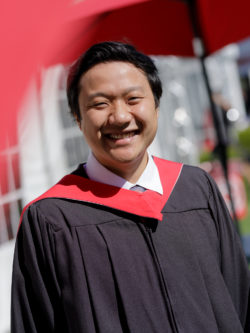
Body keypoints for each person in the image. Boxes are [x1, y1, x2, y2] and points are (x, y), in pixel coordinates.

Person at [11, 41, 250, 333]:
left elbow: (238, 300)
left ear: (157, 106)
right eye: (100, 103)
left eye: (133, 99)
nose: (121, 117)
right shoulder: (51, 220)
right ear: (77, 117)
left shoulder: (196, 189)